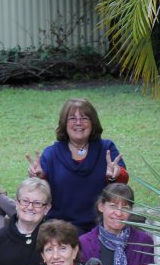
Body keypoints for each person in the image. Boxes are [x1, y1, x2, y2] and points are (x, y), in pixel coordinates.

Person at [26, 98, 128, 232]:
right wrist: (39, 177)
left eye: (84, 118)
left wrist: (115, 176)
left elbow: (122, 185)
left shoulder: (106, 149)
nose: (78, 123)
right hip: (60, 230)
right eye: (72, 118)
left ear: (93, 123)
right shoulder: (51, 153)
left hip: (101, 228)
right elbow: (40, 192)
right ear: (64, 123)